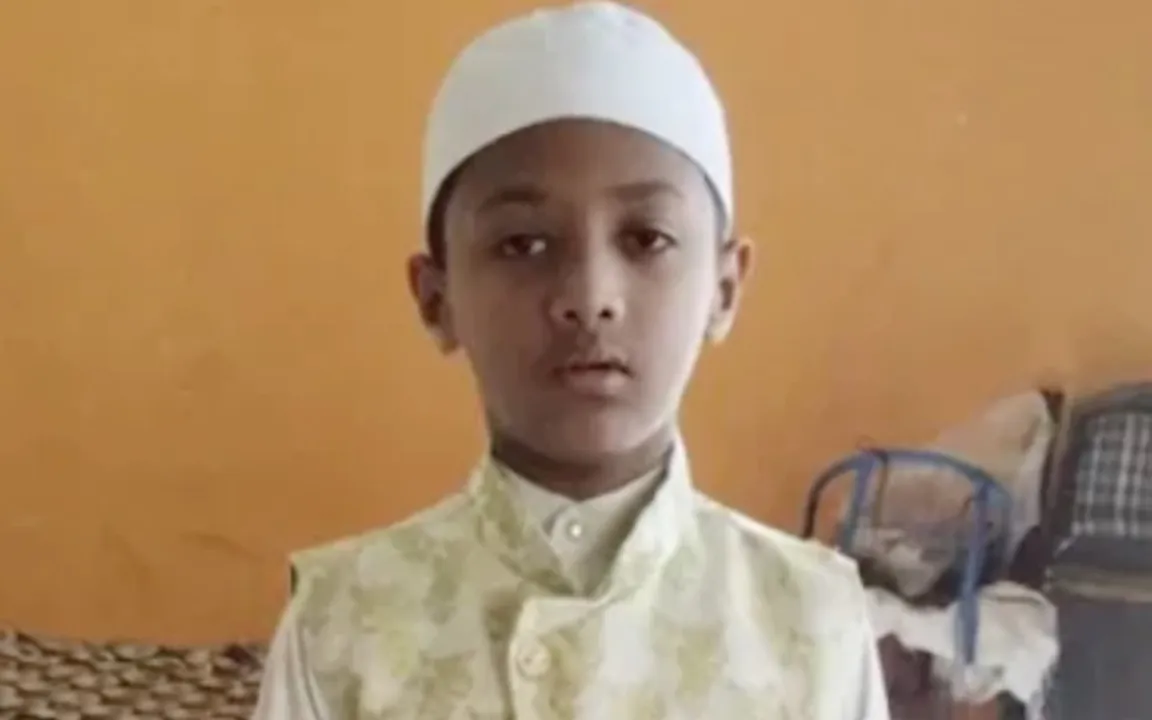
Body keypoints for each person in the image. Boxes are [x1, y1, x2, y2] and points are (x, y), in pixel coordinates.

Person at [252, 2, 890, 718]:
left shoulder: (811, 621)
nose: (590, 298)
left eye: (646, 239)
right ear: (437, 299)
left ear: (723, 288)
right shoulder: (343, 625)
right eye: (523, 244)